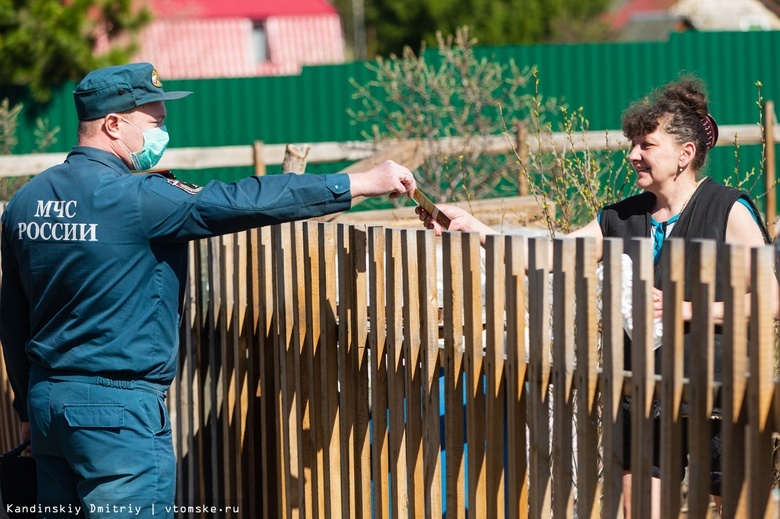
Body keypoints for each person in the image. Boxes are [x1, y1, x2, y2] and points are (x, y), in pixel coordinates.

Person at [0, 62, 417, 518]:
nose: (163, 133)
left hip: (48, 406)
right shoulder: (140, 198)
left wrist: (26, 407)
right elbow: (241, 200)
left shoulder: (25, 201)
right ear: (113, 124)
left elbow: (12, 316)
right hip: (117, 416)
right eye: (155, 123)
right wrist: (356, 183)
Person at [417, 74, 774, 517]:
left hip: (720, 395)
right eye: (632, 144)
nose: (632, 155)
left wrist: (690, 308)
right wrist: (479, 230)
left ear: (685, 154)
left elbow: (770, 301)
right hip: (643, 395)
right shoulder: (619, 217)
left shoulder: (728, 209)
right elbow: (548, 255)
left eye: (646, 145)